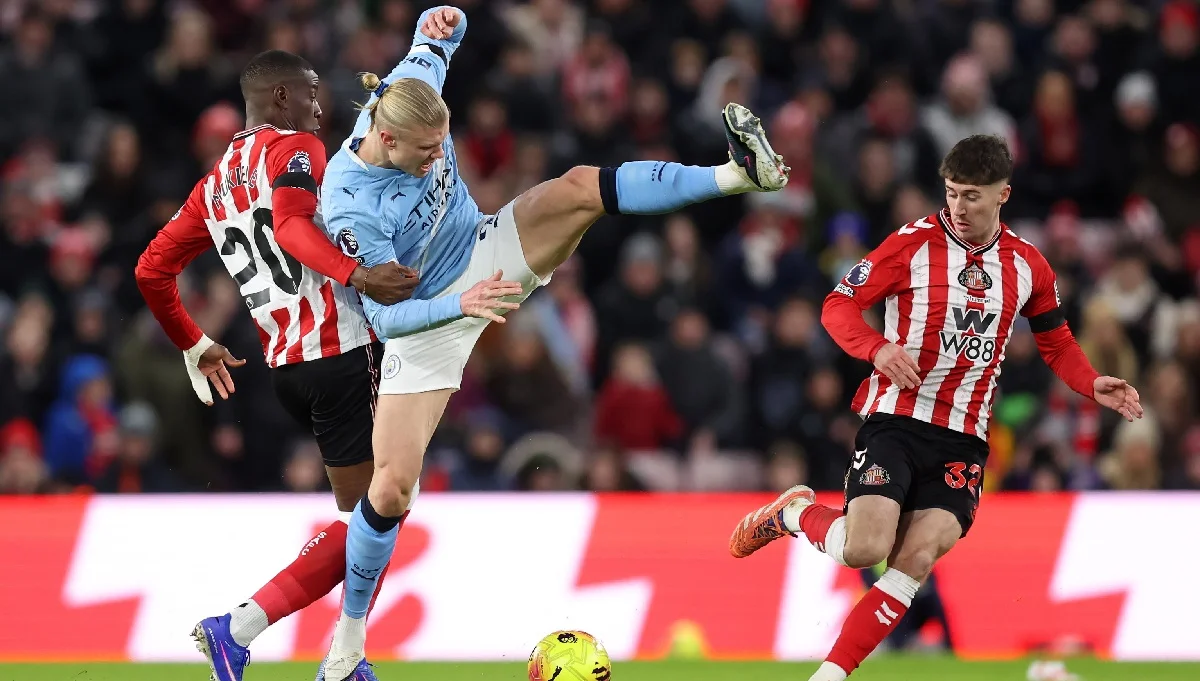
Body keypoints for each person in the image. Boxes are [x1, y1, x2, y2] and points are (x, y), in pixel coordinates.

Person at [316, 6, 789, 680]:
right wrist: (461, 305)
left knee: (577, 188)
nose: (434, 162)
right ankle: (346, 651)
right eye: (424, 154)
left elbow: (435, 34)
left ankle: (740, 175)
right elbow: (386, 321)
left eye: (439, 148)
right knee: (390, 488)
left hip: (482, 248)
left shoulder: (413, 87)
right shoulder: (353, 210)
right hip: (422, 316)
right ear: (385, 141)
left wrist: (442, 18)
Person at [727, 134, 1143, 681]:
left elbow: (1056, 343)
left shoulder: (1029, 267)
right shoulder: (911, 245)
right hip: (897, 419)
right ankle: (791, 513)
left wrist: (1091, 384)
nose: (958, 207)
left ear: (1003, 195)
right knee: (863, 549)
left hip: (964, 436)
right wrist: (878, 348)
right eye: (951, 193)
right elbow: (837, 305)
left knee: (917, 558)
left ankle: (828, 676)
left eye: (973, 196)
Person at [134, 49, 421, 681]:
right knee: (380, 514)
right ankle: (243, 631)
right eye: (313, 93)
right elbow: (291, 226)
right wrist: (360, 274)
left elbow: (151, 269)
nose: (323, 107)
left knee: (373, 512)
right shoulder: (294, 150)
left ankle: (346, 657)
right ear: (282, 97)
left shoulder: (214, 184)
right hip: (340, 349)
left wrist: (192, 341)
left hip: (288, 367)